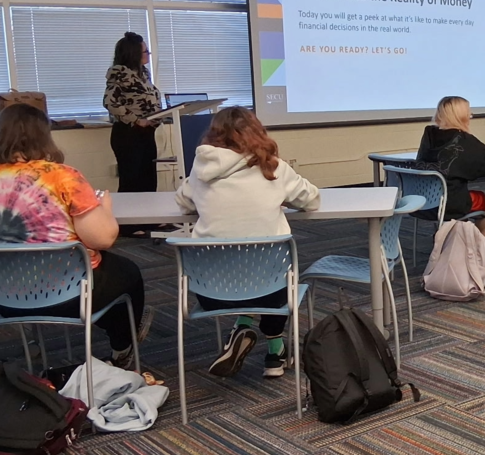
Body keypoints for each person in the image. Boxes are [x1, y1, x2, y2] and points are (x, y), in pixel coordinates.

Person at [0, 104, 150, 369]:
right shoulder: (63, 177)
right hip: (69, 295)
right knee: (127, 273)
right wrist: (104, 208)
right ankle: (122, 348)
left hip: (7, 298)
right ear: (43, 135)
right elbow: (102, 239)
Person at [176, 107, 320, 378]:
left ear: (214, 134)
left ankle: (247, 331)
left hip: (211, 293)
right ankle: (274, 354)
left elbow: (183, 203)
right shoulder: (274, 167)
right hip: (269, 290)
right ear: (257, 131)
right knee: (278, 271)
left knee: (254, 270)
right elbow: (311, 199)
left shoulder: (201, 167)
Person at [414, 96, 485, 235]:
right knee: (481, 198)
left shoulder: (429, 136)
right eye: (469, 113)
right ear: (462, 117)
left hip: (420, 202)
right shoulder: (465, 141)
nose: (470, 116)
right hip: (448, 204)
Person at [104, 32, 161, 237]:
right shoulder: (119, 74)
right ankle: (128, 226)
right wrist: (136, 120)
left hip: (146, 133)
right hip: (128, 134)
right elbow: (110, 103)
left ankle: (149, 221)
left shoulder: (142, 73)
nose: (148, 54)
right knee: (132, 179)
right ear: (132, 53)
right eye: (145, 51)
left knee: (148, 177)